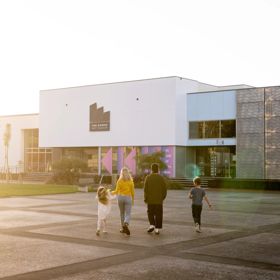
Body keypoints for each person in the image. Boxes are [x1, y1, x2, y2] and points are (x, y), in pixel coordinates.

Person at [144, 163, 167, 235]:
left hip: (150, 200)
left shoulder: (148, 177)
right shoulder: (161, 178)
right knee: (158, 214)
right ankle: (157, 229)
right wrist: (162, 197)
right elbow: (164, 189)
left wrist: (145, 198)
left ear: (151, 169)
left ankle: (152, 225)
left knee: (150, 212)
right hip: (159, 200)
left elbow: (145, 189)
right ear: (158, 169)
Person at [111, 167, 134, 235]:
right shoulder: (130, 181)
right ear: (128, 173)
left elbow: (116, 191)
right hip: (128, 198)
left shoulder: (119, 181)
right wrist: (133, 199)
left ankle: (123, 228)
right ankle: (126, 224)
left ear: (121, 173)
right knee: (128, 213)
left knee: (122, 213)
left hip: (120, 197)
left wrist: (110, 192)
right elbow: (133, 192)